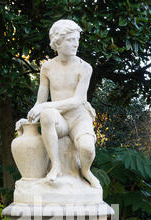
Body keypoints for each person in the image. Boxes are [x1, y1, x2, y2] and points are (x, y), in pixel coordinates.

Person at [27, 19, 100, 188]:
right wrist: (30, 117)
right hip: (59, 118)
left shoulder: (85, 68)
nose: (76, 44)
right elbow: (40, 102)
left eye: (77, 40)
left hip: (79, 117)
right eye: (70, 40)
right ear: (57, 43)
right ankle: (56, 165)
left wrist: (45, 106)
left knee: (87, 148)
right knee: (46, 114)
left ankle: (86, 170)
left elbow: (77, 100)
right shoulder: (47, 68)